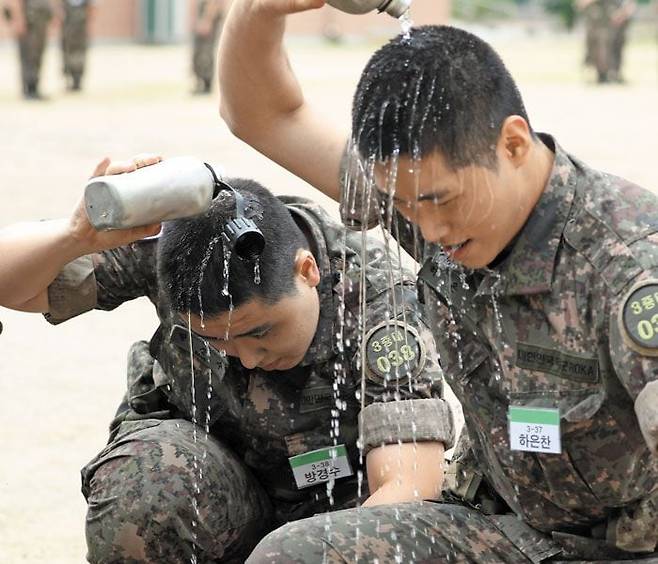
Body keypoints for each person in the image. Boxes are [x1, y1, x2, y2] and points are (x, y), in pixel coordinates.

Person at [217, 1, 658, 561]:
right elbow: (264, 115)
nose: (428, 229)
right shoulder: (428, 192)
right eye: (402, 204)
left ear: (513, 144)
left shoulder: (628, 263)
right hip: (498, 532)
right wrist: (261, 9)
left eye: (438, 200)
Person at [5, 155, 454, 562]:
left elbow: (407, 487)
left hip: (341, 504)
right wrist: (75, 236)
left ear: (308, 271)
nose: (250, 358)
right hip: (216, 482)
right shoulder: (181, 256)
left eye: (261, 331)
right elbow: (15, 286)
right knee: (141, 488)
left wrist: (302, 555)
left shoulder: (379, 301)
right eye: (218, 341)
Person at [3, 0, 55, 99]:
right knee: (28, 54)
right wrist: (18, 19)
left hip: (39, 20)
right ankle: (28, 88)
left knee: (37, 54)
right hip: (29, 22)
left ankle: (34, 87)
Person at [578, 0, 636, 83]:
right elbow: (581, 4)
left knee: (615, 47)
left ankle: (614, 73)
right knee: (599, 48)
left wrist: (623, 13)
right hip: (599, 21)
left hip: (616, 20)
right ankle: (602, 74)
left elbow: (629, 4)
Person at [60, 0, 95, 91]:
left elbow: (92, 7)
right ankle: (68, 77)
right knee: (67, 50)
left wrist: (89, 23)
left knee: (79, 52)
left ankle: (77, 79)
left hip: (81, 24)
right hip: (67, 24)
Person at [192, 0, 224, 94]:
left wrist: (207, 20)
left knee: (205, 51)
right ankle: (200, 83)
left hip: (208, 13)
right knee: (200, 51)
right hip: (205, 13)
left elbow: (215, 2)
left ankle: (206, 84)